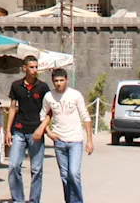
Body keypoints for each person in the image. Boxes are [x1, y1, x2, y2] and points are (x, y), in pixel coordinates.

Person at [37, 67, 92, 203]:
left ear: (66, 80)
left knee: (74, 173)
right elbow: (43, 115)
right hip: (59, 141)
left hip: (75, 140)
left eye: (61, 80)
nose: (59, 83)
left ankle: (78, 201)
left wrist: (89, 140)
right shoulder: (49, 97)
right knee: (65, 176)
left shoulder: (75, 95)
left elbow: (86, 117)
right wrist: (49, 133)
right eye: (56, 81)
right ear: (52, 81)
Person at [6, 55, 50, 203]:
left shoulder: (43, 87)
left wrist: (44, 128)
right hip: (19, 130)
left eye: (36, 67)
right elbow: (12, 108)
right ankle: (18, 199)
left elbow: (49, 110)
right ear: (24, 68)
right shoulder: (16, 85)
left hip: (36, 133)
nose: (35, 70)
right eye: (31, 67)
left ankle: (34, 200)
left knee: (36, 170)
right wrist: (8, 130)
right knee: (13, 166)